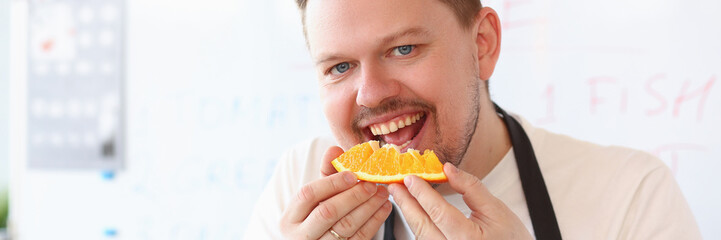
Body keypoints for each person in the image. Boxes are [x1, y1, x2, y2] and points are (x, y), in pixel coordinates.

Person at [244, 0, 701, 239]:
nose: (371, 93)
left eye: (404, 49)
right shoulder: (300, 190)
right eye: (339, 67)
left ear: (482, 43)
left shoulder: (632, 195)